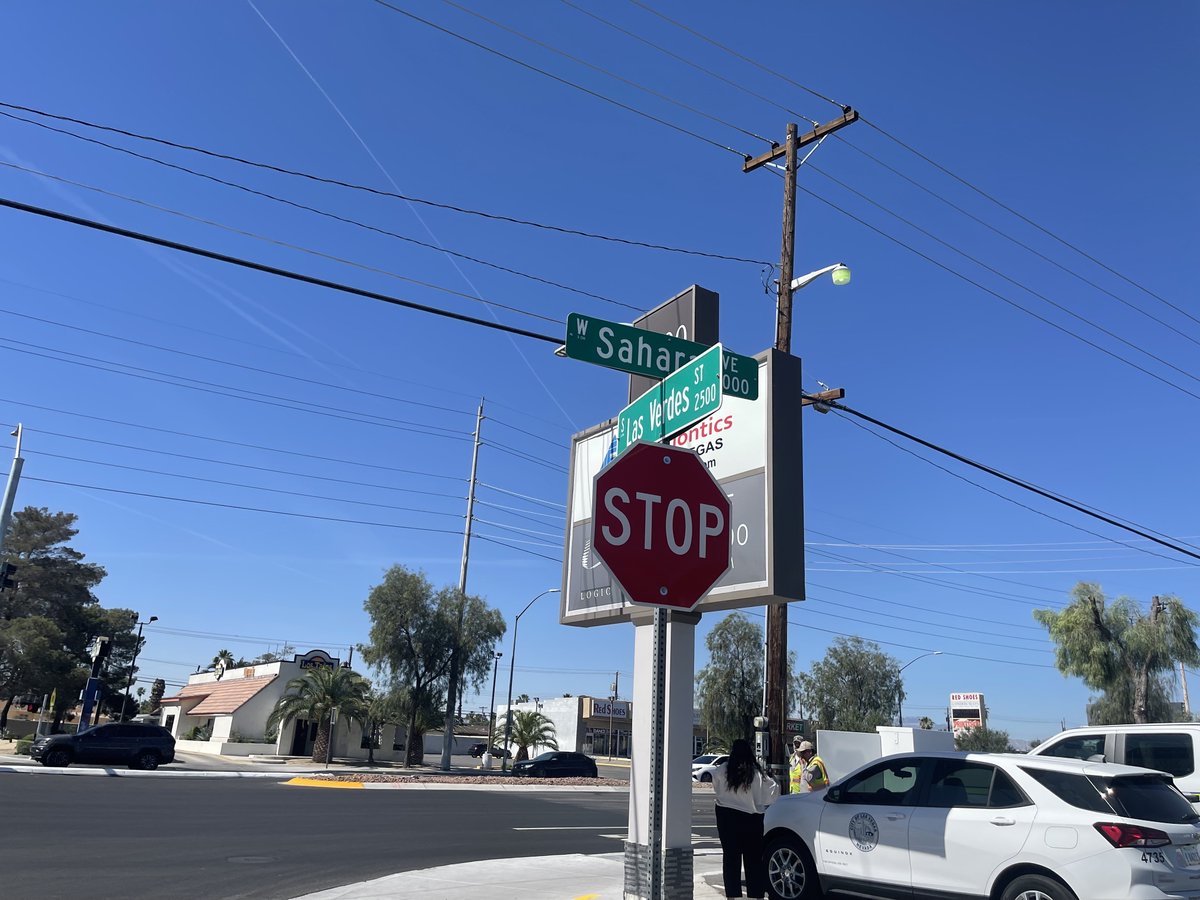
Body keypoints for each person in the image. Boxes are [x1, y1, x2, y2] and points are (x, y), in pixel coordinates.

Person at [712, 738, 780, 899]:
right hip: (751, 819)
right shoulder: (756, 773)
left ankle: (732, 896)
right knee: (754, 860)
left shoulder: (724, 769)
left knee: (730, 858)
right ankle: (756, 895)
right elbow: (773, 793)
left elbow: (716, 786)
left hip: (726, 816)